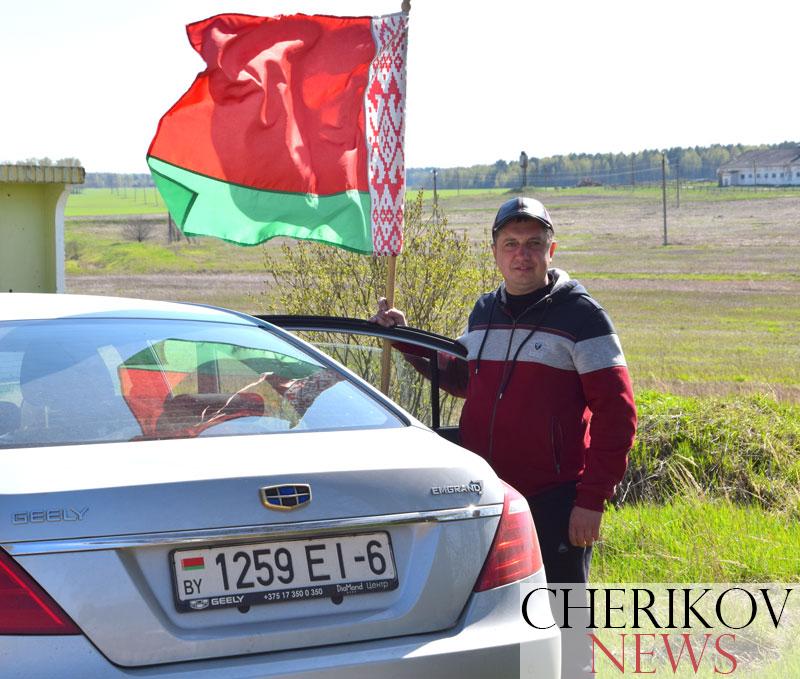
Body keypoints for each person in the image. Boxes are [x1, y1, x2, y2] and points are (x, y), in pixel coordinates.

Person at [370, 196, 637, 586]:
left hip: (554, 503)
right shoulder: (484, 312)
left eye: (533, 244)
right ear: (495, 251)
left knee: (563, 619)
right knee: (498, 615)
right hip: (486, 496)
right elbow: (462, 379)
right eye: (510, 244)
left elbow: (618, 415)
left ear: (552, 250)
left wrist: (591, 501)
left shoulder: (584, 317)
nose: (522, 255)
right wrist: (404, 339)